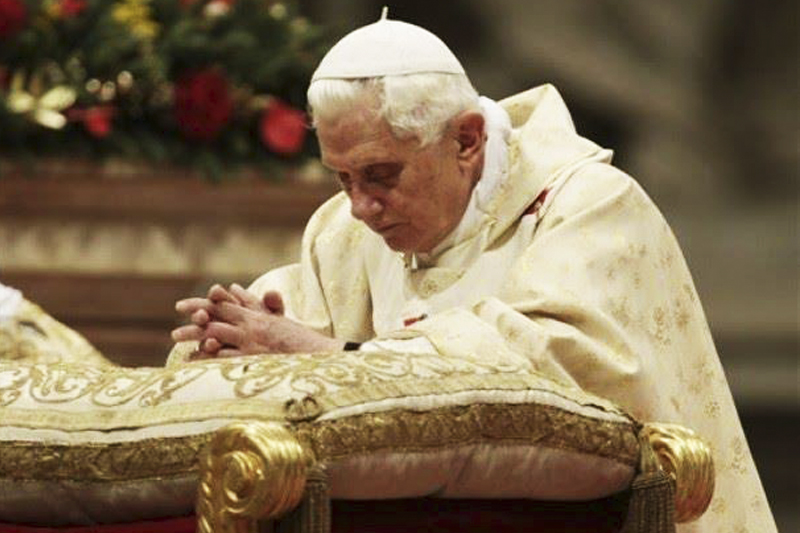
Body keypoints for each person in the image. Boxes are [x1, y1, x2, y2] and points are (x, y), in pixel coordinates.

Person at [170, 13, 776, 532]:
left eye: (380, 175)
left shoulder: (588, 207)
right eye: (342, 177)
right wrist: (230, 342)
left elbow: (549, 371)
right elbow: (290, 329)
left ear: (466, 139)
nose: (360, 206)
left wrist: (328, 356)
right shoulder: (342, 234)